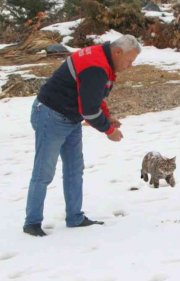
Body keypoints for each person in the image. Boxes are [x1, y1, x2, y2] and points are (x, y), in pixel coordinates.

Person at [23, 35, 141, 236]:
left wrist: (107, 116)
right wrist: (109, 131)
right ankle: (32, 223)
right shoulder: (96, 65)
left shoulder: (103, 60)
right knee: (44, 172)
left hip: (70, 117)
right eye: (129, 61)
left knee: (74, 169)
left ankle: (75, 218)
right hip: (50, 115)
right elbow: (88, 110)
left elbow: (94, 96)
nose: (130, 66)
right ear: (118, 52)